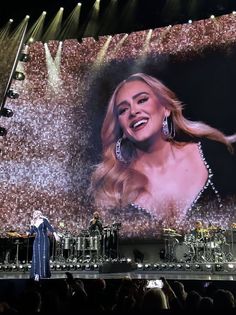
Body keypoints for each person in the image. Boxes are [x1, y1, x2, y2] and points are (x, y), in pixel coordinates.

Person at [90, 72, 236, 237]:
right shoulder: (113, 187)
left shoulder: (214, 153)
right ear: (121, 127)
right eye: (123, 110)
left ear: (165, 108)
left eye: (142, 100)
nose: (133, 111)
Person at [27, 210, 60, 281]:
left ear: (39, 214)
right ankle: (36, 274)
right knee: (36, 256)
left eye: (36, 213)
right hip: (36, 241)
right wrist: (30, 227)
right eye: (34, 213)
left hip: (44, 240)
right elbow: (31, 233)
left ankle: (43, 273)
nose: (34, 214)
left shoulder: (44, 220)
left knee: (43, 256)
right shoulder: (33, 222)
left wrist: (56, 235)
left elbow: (50, 228)